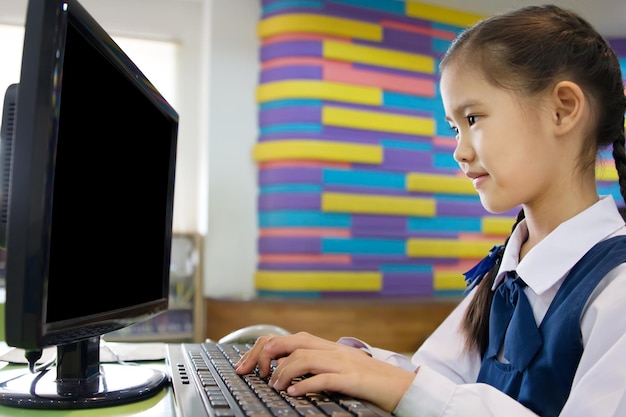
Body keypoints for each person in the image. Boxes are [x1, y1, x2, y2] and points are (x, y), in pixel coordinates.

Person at [235, 4, 626, 416]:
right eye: (454, 128)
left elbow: (422, 392)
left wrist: (393, 383)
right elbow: (434, 376)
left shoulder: (616, 282)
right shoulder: (508, 269)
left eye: (473, 117)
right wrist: (347, 361)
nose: (459, 151)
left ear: (562, 109)